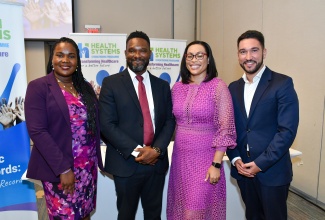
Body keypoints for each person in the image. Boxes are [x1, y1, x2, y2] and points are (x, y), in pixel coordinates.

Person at [99, 31, 175, 220]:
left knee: (153, 214)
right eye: (132, 51)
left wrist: (156, 150)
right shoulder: (111, 83)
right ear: (125, 53)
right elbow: (107, 125)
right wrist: (138, 151)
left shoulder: (162, 86)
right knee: (125, 215)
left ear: (150, 53)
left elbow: (169, 121)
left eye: (142, 51)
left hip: (156, 163)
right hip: (125, 163)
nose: (137, 55)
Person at [25, 37, 103, 220]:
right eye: (60, 55)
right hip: (60, 170)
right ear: (52, 59)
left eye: (71, 56)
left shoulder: (85, 88)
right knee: (65, 216)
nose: (65, 60)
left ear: (78, 61)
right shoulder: (39, 87)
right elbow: (37, 131)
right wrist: (64, 169)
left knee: (84, 214)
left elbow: (95, 124)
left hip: (87, 168)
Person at [226, 30, 299, 220]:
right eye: (243, 52)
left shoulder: (282, 84)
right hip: (243, 171)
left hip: (272, 171)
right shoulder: (233, 88)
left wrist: (260, 164)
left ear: (264, 52)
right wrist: (235, 159)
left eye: (254, 50)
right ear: (238, 55)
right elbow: (229, 128)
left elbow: (287, 131)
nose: (248, 57)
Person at [166, 41, 237, 220]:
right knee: (181, 209)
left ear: (208, 59)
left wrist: (216, 164)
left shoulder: (218, 87)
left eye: (199, 55)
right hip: (180, 160)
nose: (194, 60)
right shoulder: (177, 88)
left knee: (194, 212)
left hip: (206, 160)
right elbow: (169, 122)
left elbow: (226, 127)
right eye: (190, 56)